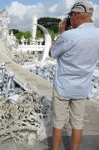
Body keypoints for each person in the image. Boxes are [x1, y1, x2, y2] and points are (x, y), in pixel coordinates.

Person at [49, 1, 99, 150]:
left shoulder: (69, 35)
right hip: (82, 88)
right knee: (78, 123)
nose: (69, 18)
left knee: (58, 122)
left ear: (77, 15)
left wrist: (61, 32)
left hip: (63, 87)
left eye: (70, 15)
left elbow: (52, 53)